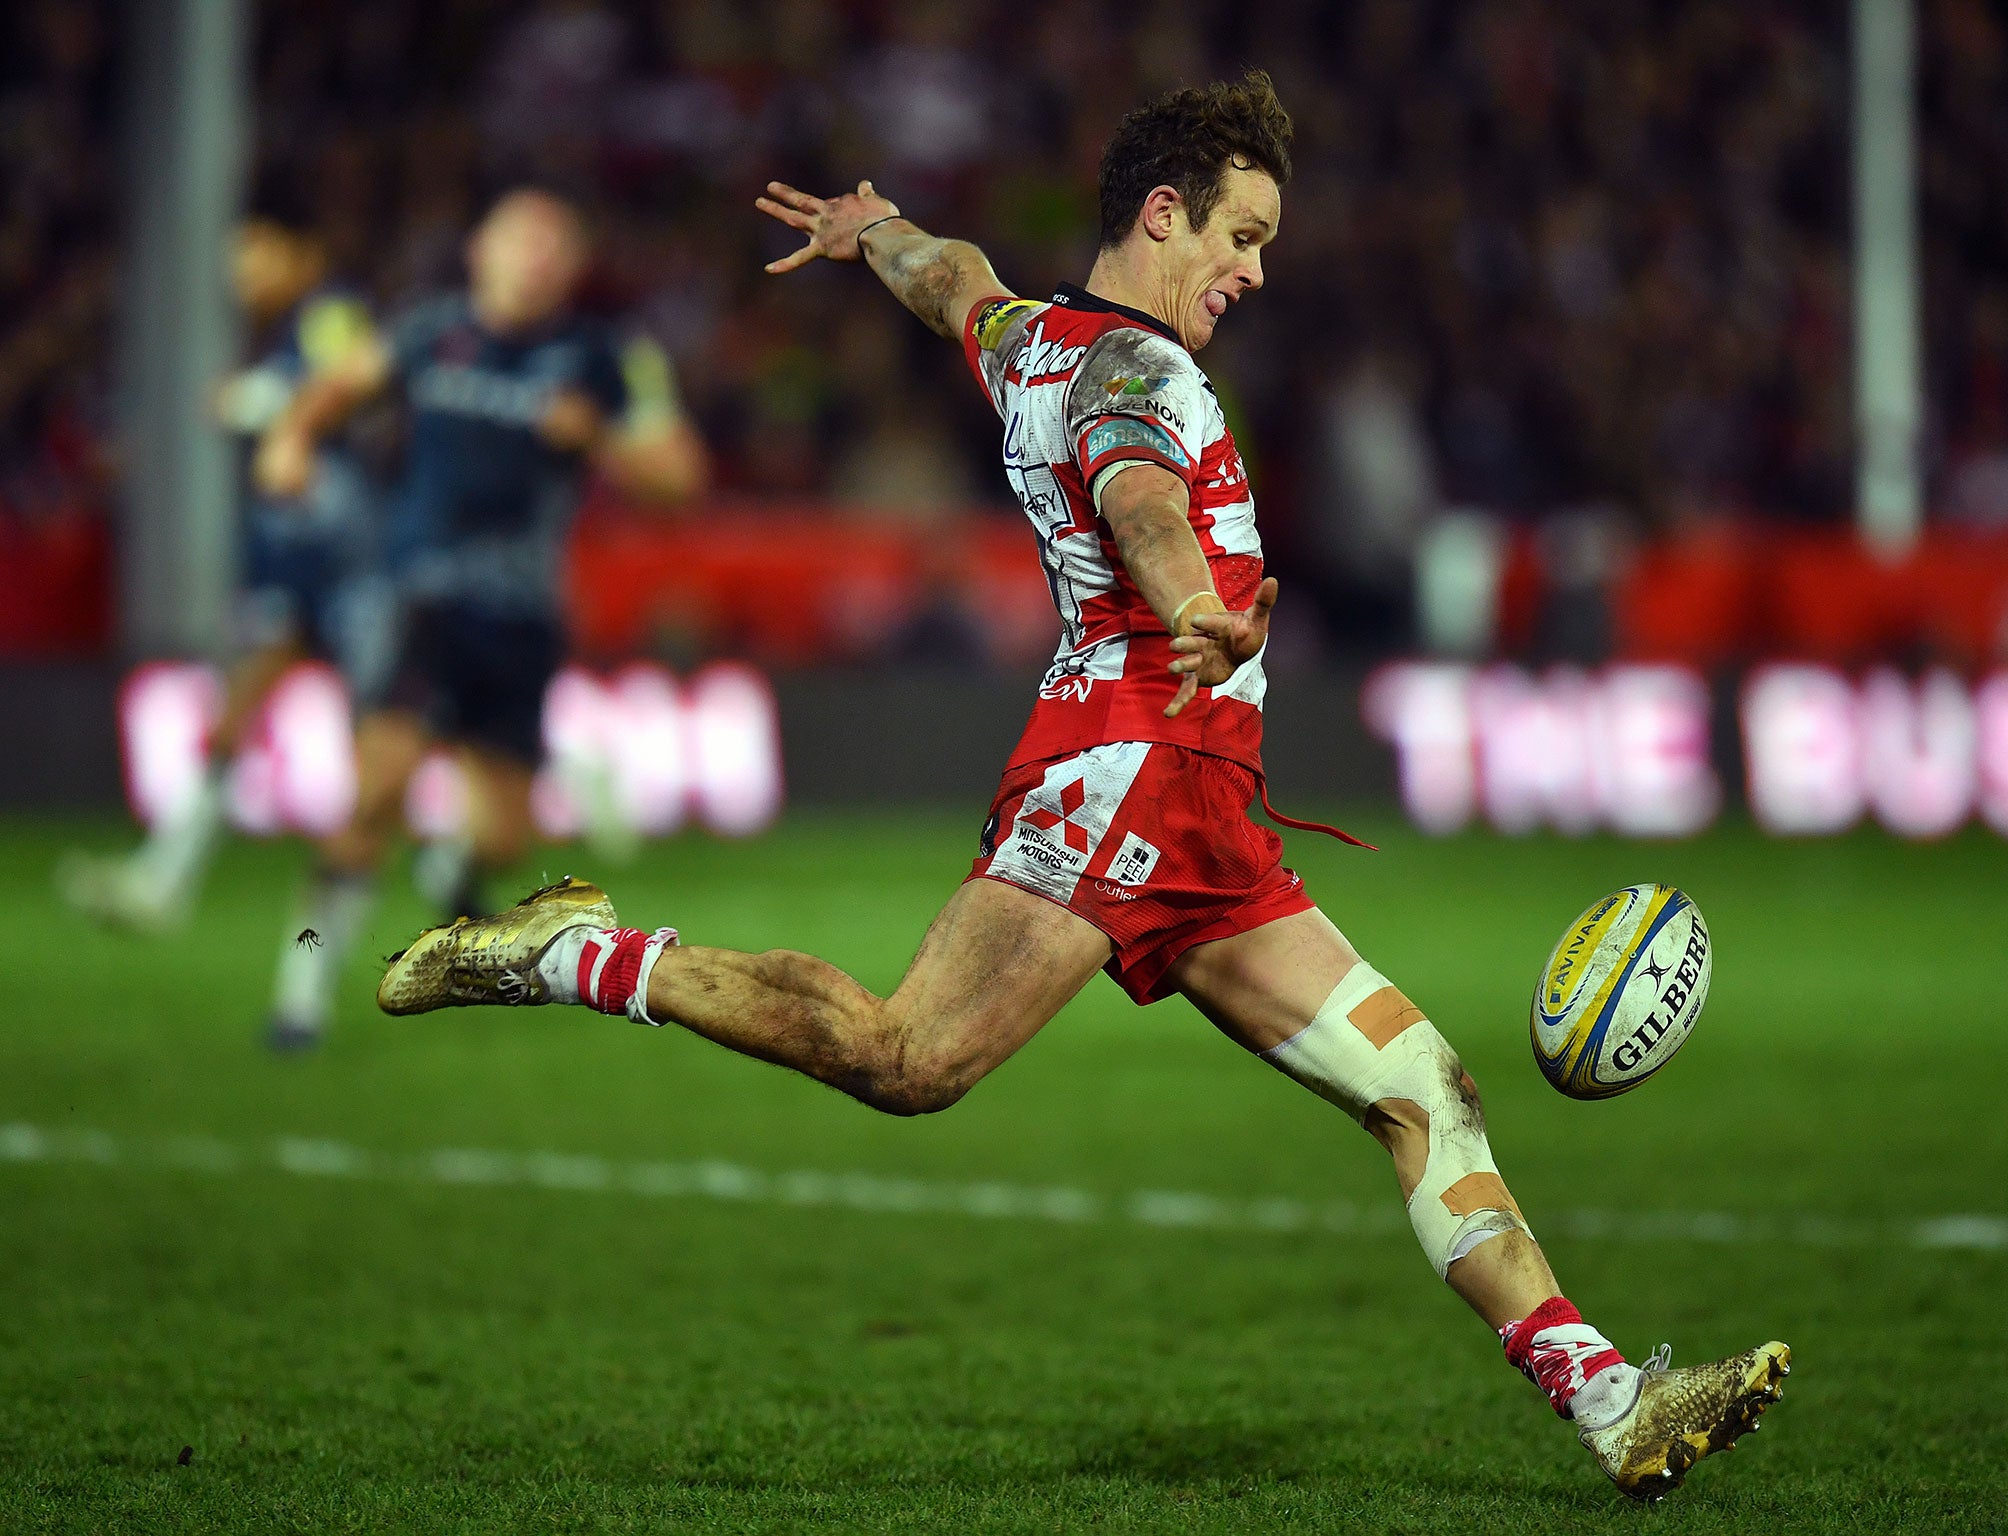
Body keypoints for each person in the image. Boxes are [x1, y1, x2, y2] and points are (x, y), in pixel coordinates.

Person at [374, 77, 1787, 1498]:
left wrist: (878, 232)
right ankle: (575, 951)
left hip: (1204, 817)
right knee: (905, 1059)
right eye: (1241, 233)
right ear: (1162, 213)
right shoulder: (1135, 373)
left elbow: (956, 289)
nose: (1252, 269)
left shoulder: (1032, 340)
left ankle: (1613, 1405)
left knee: (1426, 1088)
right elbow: (1140, 497)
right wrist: (1191, 606)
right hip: (1128, 773)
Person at [252, 187, 706, 1050]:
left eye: (553, 243)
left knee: (502, 834)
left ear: (572, 268)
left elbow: (680, 479)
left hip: (523, 616)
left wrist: (601, 439)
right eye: (519, 238)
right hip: (420, 598)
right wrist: (291, 437)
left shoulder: (602, 357)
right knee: (374, 794)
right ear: (480, 251)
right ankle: (303, 979)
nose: (535, 256)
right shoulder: (430, 333)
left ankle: (453, 871)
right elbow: (336, 385)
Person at [59, 189, 390, 933]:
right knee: (237, 714)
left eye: (255, 250)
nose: (238, 269)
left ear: (300, 254)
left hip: (350, 561)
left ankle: (468, 868)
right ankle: (163, 879)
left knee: (390, 736)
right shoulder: (276, 333)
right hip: (297, 565)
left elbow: (344, 384)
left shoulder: (329, 313)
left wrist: (249, 401)